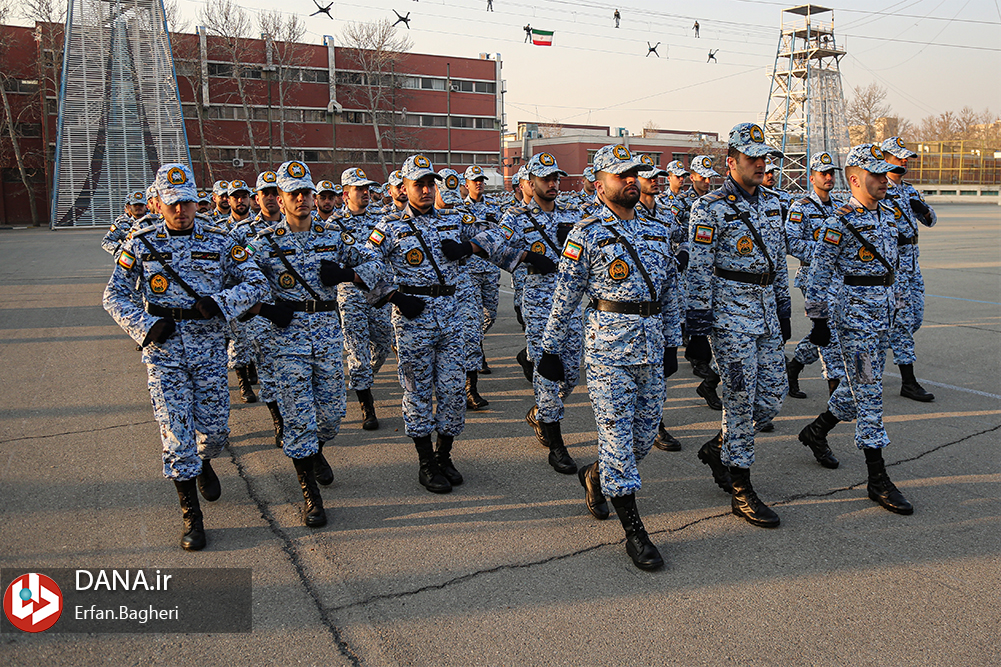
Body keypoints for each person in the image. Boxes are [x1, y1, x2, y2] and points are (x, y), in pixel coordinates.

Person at [103, 163, 268, 551]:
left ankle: (206, 460)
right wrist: (144, 326)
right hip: (164, 353)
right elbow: (114, 295)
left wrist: (222, 302)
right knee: (177, 436)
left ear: (198, 203)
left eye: (188, 203)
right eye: (173, 203)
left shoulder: (221, 240)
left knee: (214, 432)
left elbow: (256, 282)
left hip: (210, 349)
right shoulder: (140, 243)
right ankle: (192, 517)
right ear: (157, 204)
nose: (181, 210)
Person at [538, 144, 680, 570]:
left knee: (641, 441)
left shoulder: (657, 230)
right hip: (608, 353)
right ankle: (636, 532)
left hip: (652, 349)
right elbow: (565, 298)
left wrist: (673, 342)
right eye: (622, 176)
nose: (633, 181)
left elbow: (671, 290)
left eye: (635, 174)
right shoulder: (585, 233)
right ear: (598, 185)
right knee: (618, 442)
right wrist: (549, 350)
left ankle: (596, 475)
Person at [246, 160, 387, 526]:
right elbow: (240, 285)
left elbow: (375, 260)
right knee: (299, 417)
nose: (303, 199)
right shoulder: (263, 244)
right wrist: (264, 310)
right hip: (286, 338)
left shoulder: (333, 236)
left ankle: (316, 450)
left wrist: (349, 274)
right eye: (294, 194)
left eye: (307, 192)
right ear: (280, 198)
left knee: (331, 416)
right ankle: (310, 492)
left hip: (326, 334)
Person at [364, 155, 512, 493]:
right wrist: (394, 297)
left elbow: (499, 233)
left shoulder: (453, 220)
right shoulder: (389, 227)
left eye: (431, 184)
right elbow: (365, 266)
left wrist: (469, 245)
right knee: (417, 392)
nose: (428, 190)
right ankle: (425, 461)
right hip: (413, 316)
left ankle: (444, 454)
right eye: (420, 184)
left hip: (451, 314)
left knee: (452, 391)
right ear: (403, 188)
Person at [796, 144, 914, 515]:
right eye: (876, 175)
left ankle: (816, 431)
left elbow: (891, 270)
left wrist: (898, 311)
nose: (884, 180)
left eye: (885, 174)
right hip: (855, 321)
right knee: (870, 394)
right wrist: (818, 320)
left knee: (855, 387)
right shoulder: (839, 222)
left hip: (883, 319)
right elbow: (817, 275)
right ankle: (877, 478)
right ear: (854, 179)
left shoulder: (888, 216)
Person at [685, 123, 791, 528]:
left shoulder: (774, 203)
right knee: (741, 401)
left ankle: (720, 449)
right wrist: (697, 325)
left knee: (773, 397)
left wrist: (783, 309)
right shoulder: (709, 207)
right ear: (731, 162)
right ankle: (742, 488)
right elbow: (700, 268)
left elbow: (779, 261)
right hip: (730, 318)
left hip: (764, 312)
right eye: (753, 158)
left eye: (765, 157)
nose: (762, 164)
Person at [488, 153, 582, 475]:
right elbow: (495, 249)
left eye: (556, 178)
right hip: (539, 302)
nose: (553, 184)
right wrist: (527, 256)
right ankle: (556, 444)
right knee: (547, 369)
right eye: (546, 179)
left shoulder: (572, 212)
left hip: (571, 302)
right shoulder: (515, 217)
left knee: (571, 373)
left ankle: (542, 412)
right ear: (529, 183)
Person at [334, 167, 395, 430]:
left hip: (378, 293)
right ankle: (366, 406)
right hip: (350, 295)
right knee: (357, 352)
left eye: (367, 188)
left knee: (382, 346)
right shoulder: (333, 226)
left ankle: (362, 379)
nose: (366, 193)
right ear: (346, 194)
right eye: (359, 189)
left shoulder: (381, 220)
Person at [785, 152, 846, 407]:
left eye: (832, 173)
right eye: (824, 173)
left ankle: (795, 366)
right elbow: (791, 242)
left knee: (829, 328)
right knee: (828, 328)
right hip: (812, 276)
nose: (829, 177)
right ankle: (836, 386)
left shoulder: (839, 207)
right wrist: (823, 250)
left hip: (838, 277)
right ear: (812, 178)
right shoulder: (801, 207)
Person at [635, 155, 687, 452]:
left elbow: (687, 238)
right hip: (640, 305)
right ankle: (652, 424)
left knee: (662, 369)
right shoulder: (630, 216)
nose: (655, 180)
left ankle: (654, 421)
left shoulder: (666, 215)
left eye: (657, 175)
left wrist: (683, 254)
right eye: (648, 176)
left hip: (668, 299)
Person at [880, 136, 937, 402]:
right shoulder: (880, 191)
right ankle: (908, 381)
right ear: (885, 159)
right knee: (903, 323)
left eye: (906, 157)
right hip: (894, 269)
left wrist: (923, 210)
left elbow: (931, 221)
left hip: (913, 265)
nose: (904, 161)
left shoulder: (910, 190)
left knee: (915, 319)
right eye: (899, 157)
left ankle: (888, 344)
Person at [231, 170, 284, 446]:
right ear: (257, 198)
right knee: (268, 369)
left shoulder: (299, 226)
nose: (271, 198)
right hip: (262, 313)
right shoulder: (241, 233)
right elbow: (230, 274)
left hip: (293, 311)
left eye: (276, 192)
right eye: (265, 193)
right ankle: (280, 420)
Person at [683, 156, 724, 410]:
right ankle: (701, 364)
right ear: (692, 177)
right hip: (690, 268)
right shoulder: (682, 203)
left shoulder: (717, 203)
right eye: (703, 177)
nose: (708, 181)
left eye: (711, 177)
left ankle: (709, 379)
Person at [464, 165, 502, 375]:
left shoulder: (495, 208)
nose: (479, 183)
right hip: (470, 271)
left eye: (481, 180)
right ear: (466, 184)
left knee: (491, 315)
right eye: (474, 180)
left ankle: (473, 343)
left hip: (490, 269)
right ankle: (475, 353)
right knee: (474, 317)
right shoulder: (460, 210)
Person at [223, 179, 258, 402]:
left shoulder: (258, 227)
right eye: (235, 197)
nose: (240, 200)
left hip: (260, 293)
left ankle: (252, 366)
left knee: (255, 339)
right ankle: (243, 383)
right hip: (236, 292)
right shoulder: (222, 229)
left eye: (244, 196)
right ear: (228, 199)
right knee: (238, 339)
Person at [102, 190, 148, 255]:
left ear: (145, 206)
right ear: (129, 207)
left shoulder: (154, 220)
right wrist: (122, 249)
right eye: (135, 205)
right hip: (129, 259)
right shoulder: (121, 222)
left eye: (141, 205)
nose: (138, 207)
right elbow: (106, 241)